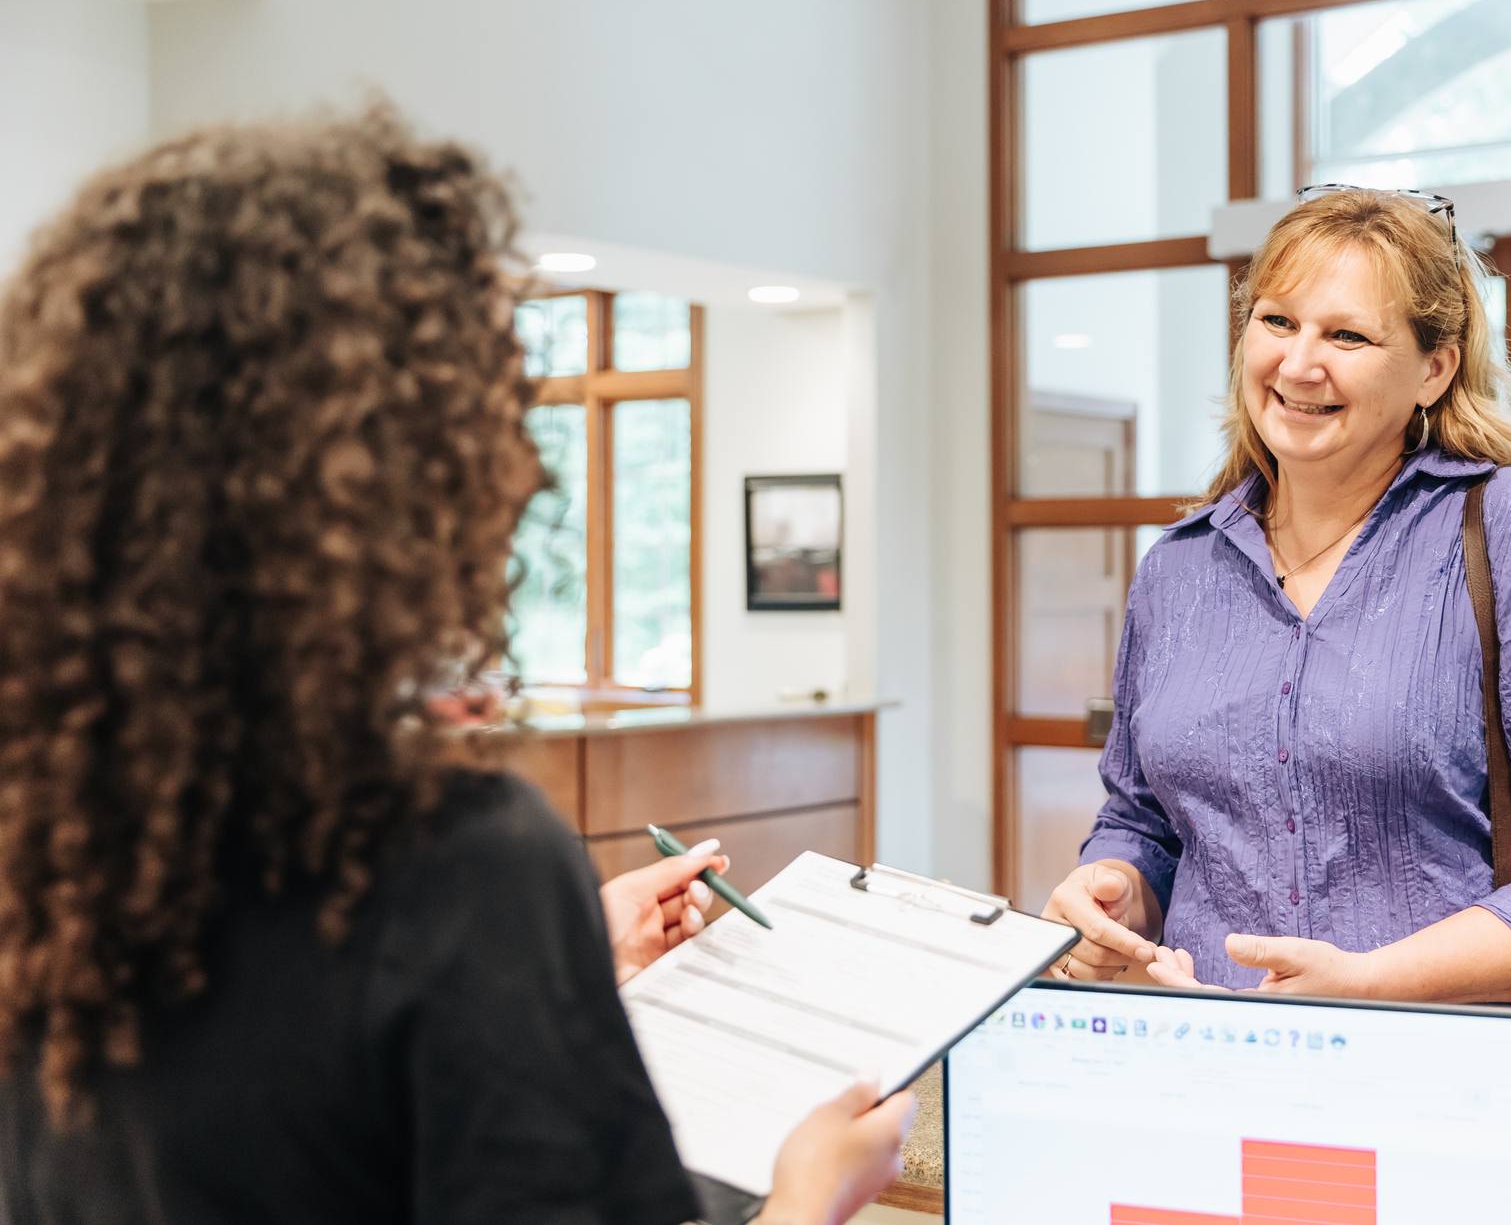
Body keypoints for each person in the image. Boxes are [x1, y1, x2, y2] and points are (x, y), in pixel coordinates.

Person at [0, 107, 910, 1223]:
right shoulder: (460, 870)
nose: (527, 471)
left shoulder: (57, 850)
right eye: (496, 413)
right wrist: (807, 1197)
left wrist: (550, 973)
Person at [1041, 186, 1511, 1010]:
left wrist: (1368, 983)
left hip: (1431, 1062)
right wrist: (1113, 885)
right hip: (1209, 1055)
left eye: (1346, 335)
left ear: (1434, 368)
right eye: (1277, 321)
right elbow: (1148, 825)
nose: (1298, 364)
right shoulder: (1179, 567)